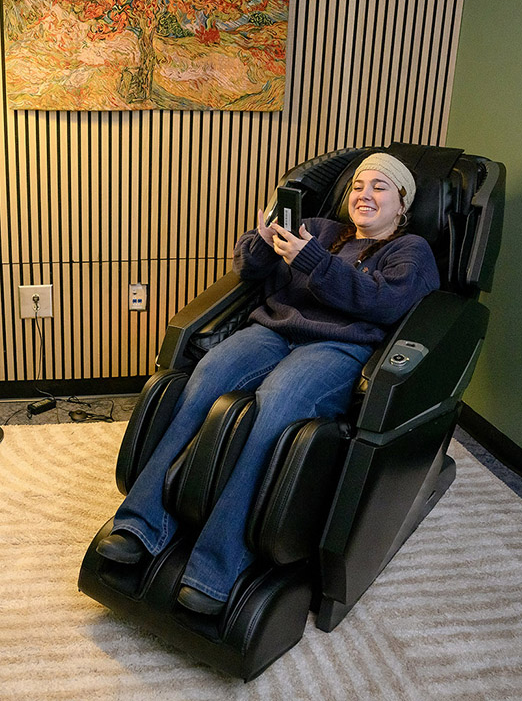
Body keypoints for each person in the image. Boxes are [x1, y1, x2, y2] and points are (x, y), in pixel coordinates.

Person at [96, 152, 441, 615]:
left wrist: (314, 261)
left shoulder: (410, 250)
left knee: (275, 406)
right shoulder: (317, 230)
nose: (365, 195)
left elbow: (384, 305)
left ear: (402, 205)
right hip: (271, 332)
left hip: (338, 348)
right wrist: (259, 242)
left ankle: (216, 570)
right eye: (359, 185)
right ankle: (140, 524)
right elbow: (250, 273)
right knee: (204, 381)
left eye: (381, 187)